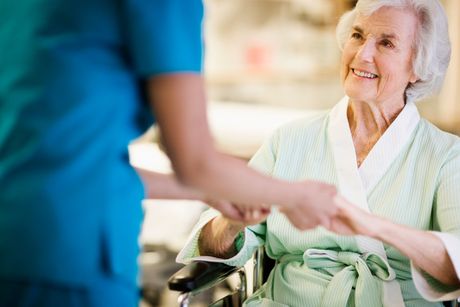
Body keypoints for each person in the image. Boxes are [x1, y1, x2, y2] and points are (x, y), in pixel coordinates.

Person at [0, 0, 340, 306]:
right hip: (67, 253)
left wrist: (212, 191)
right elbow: (195, 162)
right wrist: (297, 195)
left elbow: (66, 164)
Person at [177, 0, 460, 306]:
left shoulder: (446, 156)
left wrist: (371, 225)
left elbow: (456, 265)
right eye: (357, 36)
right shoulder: (289, 140)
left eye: (386, 43)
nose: (362, 54)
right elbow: (215, 245)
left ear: (419, 67)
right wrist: (232, 222)